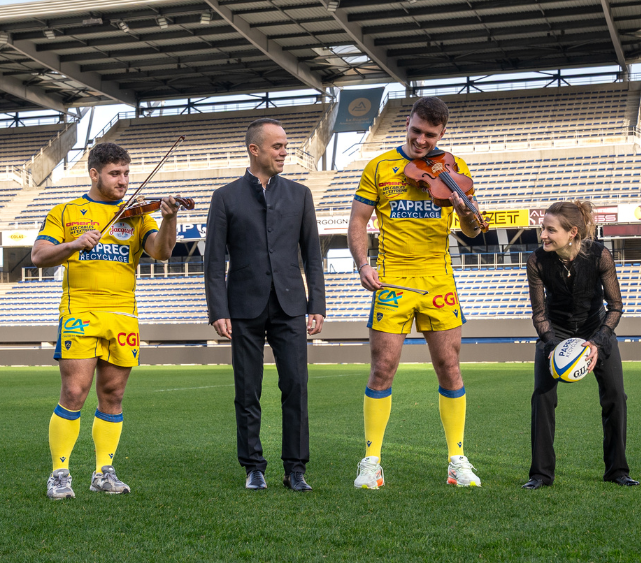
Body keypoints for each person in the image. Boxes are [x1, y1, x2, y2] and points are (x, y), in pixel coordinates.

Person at [348, 96, 484, 489]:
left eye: (430, 135)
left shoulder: (454, 168)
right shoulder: (379, 167)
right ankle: (371, 463)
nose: (421, 141)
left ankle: (457, 460)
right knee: (382, 368)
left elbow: (473, 231)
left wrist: (463, 211)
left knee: (450, 367)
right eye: (416, 131)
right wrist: (362, 264)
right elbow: (358, 221)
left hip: (438, 280)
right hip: (392, 279)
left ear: (442, 133)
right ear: (407, 123)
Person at [32, 142, 179, 499]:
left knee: (113, 395)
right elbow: (38, 255)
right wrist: (73, 245)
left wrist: (170, 217)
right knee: (74, 392)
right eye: (115, 173)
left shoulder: (137, 214)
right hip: (81, 312)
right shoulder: (66, 211)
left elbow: (161, 252)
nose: (124, 181)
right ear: (94, 174)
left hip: (123, 316)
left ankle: (103, 472)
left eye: (127, 173)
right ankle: (59, 473)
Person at [204, 118, 326, 492]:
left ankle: (296, 468)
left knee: (296, 386)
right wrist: (218, 310)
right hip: (243, 307)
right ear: (254, 150)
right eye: (278, 146)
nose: (285, 152)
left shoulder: (300, 195)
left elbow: (312, 255)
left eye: (286, 146)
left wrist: (316, 304)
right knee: (247, 390)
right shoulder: (224, 197)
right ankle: (253, 466)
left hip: (291, 305)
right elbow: (212, 260)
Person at [523, 201, 637, 490]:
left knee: (615, 397)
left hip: (596, 328)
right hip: (555, 330)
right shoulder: (536, 260)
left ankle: (617, 471)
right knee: (542, 398)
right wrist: (551, 347)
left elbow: (616, 306)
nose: (543, 236)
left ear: (572, 232)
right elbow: (539, 314)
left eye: (550, 230)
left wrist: (597, 342)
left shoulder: (600, 255)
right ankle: (540, 475)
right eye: (543, 229)